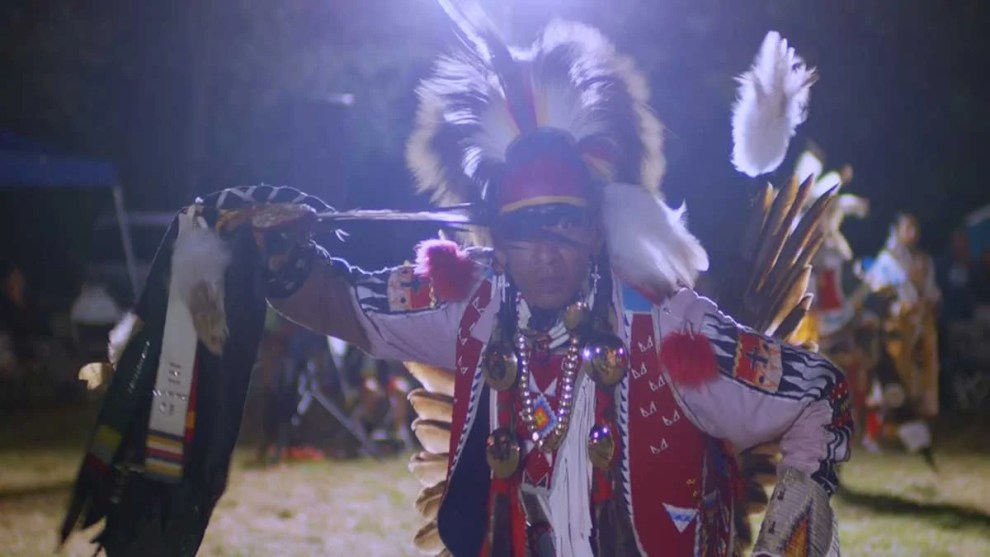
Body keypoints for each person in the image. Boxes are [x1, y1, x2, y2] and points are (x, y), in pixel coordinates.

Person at [256, 20, 850, 557]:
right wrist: (278, 254)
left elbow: (819, 395)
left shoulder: (665, 324)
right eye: (522, 234)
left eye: (564, 228)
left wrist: (784, 549)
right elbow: (346, 303)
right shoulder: (476, 302)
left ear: (595, 231)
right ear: (496, 240)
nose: (544, 255)